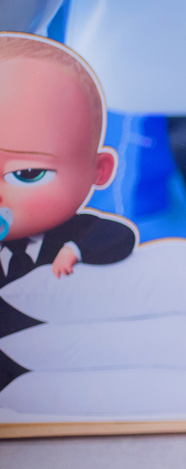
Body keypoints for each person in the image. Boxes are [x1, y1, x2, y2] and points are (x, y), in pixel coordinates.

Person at [0, 33, 137, 389]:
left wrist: (74, 250)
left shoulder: (78, 233)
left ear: (99, 170)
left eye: (27, 174)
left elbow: (119, 238)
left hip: (57, 371)